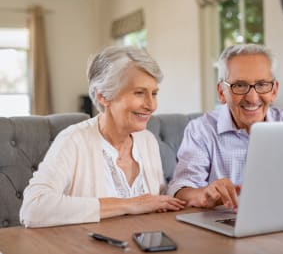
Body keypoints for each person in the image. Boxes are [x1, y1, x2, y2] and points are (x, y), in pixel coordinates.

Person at [20, 46, 185, 227]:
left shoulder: (147, 141)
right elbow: (32, 209)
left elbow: (155, 202)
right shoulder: (73, 140)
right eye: (139, 93)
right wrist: (131, 204)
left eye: (154, 93)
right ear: (103, 96)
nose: (151, 105)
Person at [167, 43, 283, 210]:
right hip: (224, 225)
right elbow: (181, 187)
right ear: (221, 92)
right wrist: (203, 195)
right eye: (240, 85)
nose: (252, 98)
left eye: (262, 84)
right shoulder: (201, 130)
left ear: (274, 90)